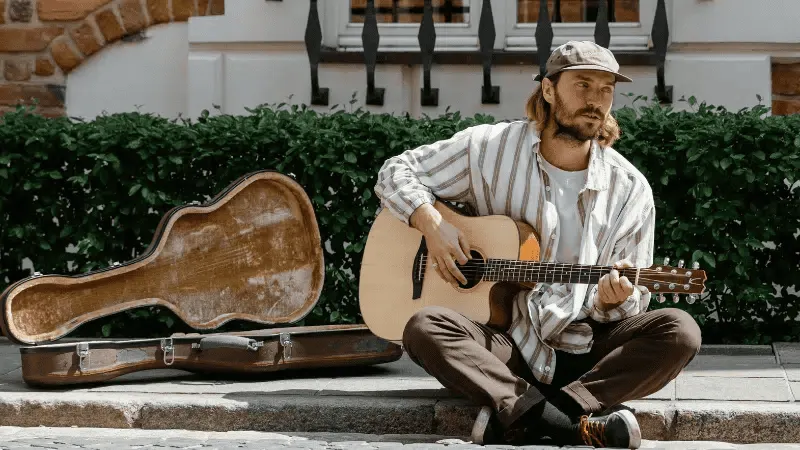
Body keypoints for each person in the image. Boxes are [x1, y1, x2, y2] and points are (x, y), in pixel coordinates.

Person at [372, 41, 702, 448]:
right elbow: (396, 172)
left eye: (605, 90)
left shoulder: (629, 188)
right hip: (507, 345)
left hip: (586, 351)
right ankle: (571, 424)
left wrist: (612, 300)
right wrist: (432, 224)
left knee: (679, 331)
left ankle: (528, 413)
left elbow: (630, 301)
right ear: (548, 89)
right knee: (425, 328)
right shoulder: (488, 149)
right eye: (583, 85)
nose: (595, 100)